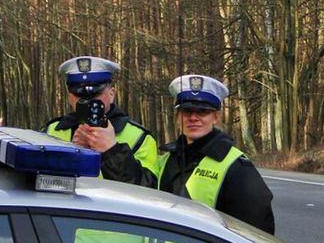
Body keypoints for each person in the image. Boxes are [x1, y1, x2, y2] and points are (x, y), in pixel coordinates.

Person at [157, 74, 275, 234]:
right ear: (178, 117)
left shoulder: (236, 167)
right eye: (187, 111)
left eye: (202, 111)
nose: (193, 118)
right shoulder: (166, 160)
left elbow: (257, 235)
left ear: (215, 117)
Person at [44, 56, 157, 186]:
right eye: (80, 95)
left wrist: (111, 152)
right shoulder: (51, 131)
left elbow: (148, 190)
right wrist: (74, 153)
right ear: (70, 97)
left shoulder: (139, 138)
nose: (88, 101)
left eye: (95, 94)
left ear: (111, 94)